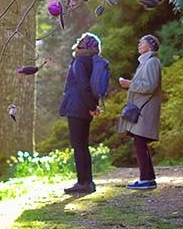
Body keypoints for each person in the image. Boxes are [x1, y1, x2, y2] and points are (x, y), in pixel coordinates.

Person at [58, 32, 110, 195]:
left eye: (81, 41)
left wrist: (91, 106)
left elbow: (83, 86)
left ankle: (83, 183)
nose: (78, 42)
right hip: (85, 106)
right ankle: (88, 182)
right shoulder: (92, 61)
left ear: (83, 45)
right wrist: (93, 105)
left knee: (78, 146)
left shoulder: (80, 61)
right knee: (83, 145)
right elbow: (90, 86)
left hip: (77, 107)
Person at [117, 34, 163, 190]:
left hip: (145, 109)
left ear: (149, 46)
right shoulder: (146, 62)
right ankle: (148, 178)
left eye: (141, 42)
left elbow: (149, 86)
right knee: (139, 142)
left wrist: (129, 84)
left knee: (139, 141)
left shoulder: (152, 62)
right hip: (142, 108)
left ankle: (146, 179)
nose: (138, 44)